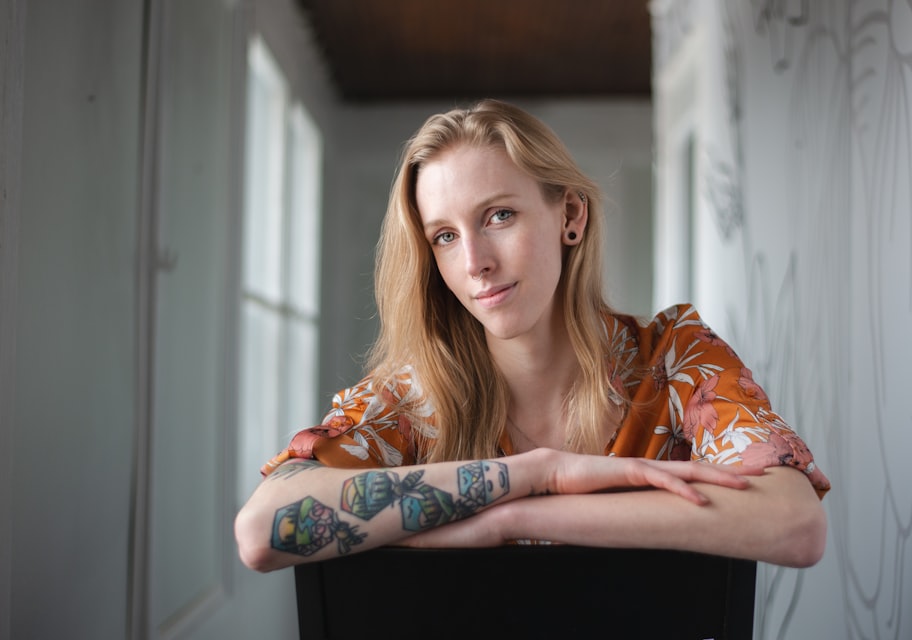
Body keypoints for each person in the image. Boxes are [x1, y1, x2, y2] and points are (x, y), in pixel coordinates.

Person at [234, 99, 831, 572]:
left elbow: (794, 524)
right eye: (444, 236)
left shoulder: (675, 360)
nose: (474, 263)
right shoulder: (411, 401)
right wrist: (538, 476)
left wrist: (514, 520)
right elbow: (264, 530)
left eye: (499, 216)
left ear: (570, 216)